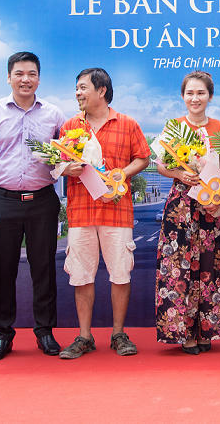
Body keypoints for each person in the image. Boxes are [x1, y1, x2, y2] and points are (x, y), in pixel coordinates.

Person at [0, 51, 65, 361]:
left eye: (32, 74)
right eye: (19, 74)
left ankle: (45, 331)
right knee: (2, 270)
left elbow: (68, 155)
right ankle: (3, 334)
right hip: (3, 201)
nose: (26, 79)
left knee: (44, 269)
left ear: (39, 78)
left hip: (42, 202)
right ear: (9, 77)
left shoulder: (54, 115)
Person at [57, 68, 151, 359]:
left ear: (102, 90)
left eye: (83, 87)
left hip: (116, 212)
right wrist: (67, 168)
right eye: (76, 88)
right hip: (81, 212)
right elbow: (59, 164)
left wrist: (122, 172)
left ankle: (118, 334)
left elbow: (143, 158)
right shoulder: (70, 126)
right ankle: (84, 336)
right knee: (81, 276)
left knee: (120, 274)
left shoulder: (127, 124)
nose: (78, 93)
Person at [155, 71, 220, 355]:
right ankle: (184, 333)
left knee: (211, 266)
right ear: (183, 96)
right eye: (190, 93)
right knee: (179, 267)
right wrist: (179, 174)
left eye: (201, 93)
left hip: (211, 203)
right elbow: (160, 165)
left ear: (210, 96)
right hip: (181, 206)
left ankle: (207, 330)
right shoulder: (173, 127)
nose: (195, 98)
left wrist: (218, 195)